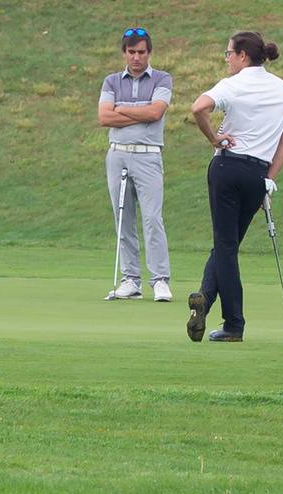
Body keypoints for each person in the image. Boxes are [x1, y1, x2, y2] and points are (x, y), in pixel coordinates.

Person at [182, 31, 283, 344]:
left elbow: (198, 108)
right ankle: (205, 298)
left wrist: (213, 138)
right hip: (258, 175)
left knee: (225, 245)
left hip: (227, 167)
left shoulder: (233, 84)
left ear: (243, 55)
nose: (227, 59)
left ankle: (234, 324)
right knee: (227, 244)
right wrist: (269, 179)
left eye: (229, 53)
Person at [97, 27, 172, 302]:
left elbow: (156, 112)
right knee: (123, 218)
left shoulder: (162, 79)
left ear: (149, 52)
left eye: (141, 52)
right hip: (117, 155)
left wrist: (121, 109)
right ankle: (131, 279)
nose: (136, 57)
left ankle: (160, 280)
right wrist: (141, 113)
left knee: (152, 218)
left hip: (148, 155)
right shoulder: (111, 82)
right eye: (131, 52)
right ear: (124, 53)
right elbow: (104, 118)